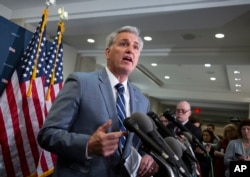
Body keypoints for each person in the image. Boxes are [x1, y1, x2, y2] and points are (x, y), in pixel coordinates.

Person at [37, 26, 159, 177]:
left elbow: (138, 145)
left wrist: (147, 157)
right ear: (108, 52)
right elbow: (47, 134)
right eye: (123, 44)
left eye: (135, 47)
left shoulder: (142, 101)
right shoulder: (81, 83)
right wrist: (88, 145)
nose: (130, 50)